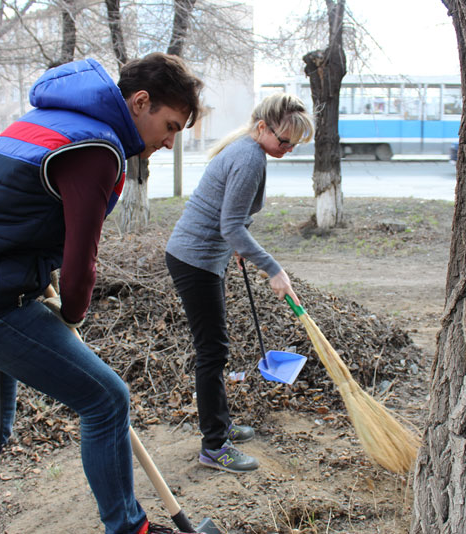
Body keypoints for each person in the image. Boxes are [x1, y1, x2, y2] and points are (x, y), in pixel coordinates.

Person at [0, 54, 203, 534]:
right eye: (169, 126)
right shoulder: (97, 148)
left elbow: (11, 211)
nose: (169, 141)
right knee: (107, 399)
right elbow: (79, 259)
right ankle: (130, 528)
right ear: (141, 101)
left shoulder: (49, 119)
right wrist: (72, 311)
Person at [165, 93, 314, 473]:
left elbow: (227, 215)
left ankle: (221, 427)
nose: (288, 148)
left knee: (214, 348)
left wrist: (238, 245)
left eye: (294, 145)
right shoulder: (248, 157)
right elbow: (229, 225)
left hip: (199, 255)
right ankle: (215, 446)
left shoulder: (248, 149)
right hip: (194, 259)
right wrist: (273, 268)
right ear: (263, 127)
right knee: (213, 352)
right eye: (284, 141)